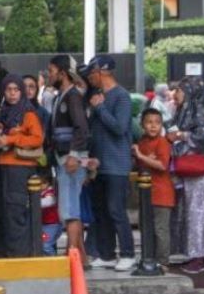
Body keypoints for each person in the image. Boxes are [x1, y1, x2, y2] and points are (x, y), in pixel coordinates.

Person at [86, 56, 136, 271]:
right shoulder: (97, 96)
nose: (90, 77)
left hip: (117, 164)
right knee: (102, 211)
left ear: (103, 72)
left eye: (92, 72)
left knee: (116, 209)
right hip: (99, 164)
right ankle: (106, 254)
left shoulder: (121, 96)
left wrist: (100, 109)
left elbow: (119, 127)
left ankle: (128, 253)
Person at [170, 78, 204, 274]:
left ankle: (197, 257)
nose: (176, 94)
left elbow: (203, 137)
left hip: (198, 171)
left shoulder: (197, 110)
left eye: (180, 90)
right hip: (190, 172)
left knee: (196, 213)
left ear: (189, 91)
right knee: (197, 212)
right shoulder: (185, 110)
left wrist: (181, 136)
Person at [0, 75, 45, 257]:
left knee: (15, 212)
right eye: (8, 90)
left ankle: (18, 255)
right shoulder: (3, 112)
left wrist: (11, 139)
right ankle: (5, 254)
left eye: (16, 90)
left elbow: (37, 138)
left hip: (19, 167)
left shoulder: (28, 112)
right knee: (3, 214)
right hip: (2, 166)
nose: (12, 94)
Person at [47, 55, 91, 260]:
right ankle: (80, 256)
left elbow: (81, 127)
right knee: (70, 207)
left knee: (70, 209)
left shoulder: (72, 96)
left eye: (52, 71)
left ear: (63, 74)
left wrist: (74, 155)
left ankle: (72, 256)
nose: (49, 75)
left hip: (70, 159)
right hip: (63, 157)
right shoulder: (61, 96)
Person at [133, 108, 174, 267]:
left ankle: (163, 261)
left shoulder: (162, 142)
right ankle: (149, 257)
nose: (153, 126)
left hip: (162, 194)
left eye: (157, 123)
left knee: (160, 230)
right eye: (149, 122)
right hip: (146, 194)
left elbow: (162, 165)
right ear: (142, 124)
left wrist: (142, 157)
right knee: (145, 228)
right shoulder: (142, 142)